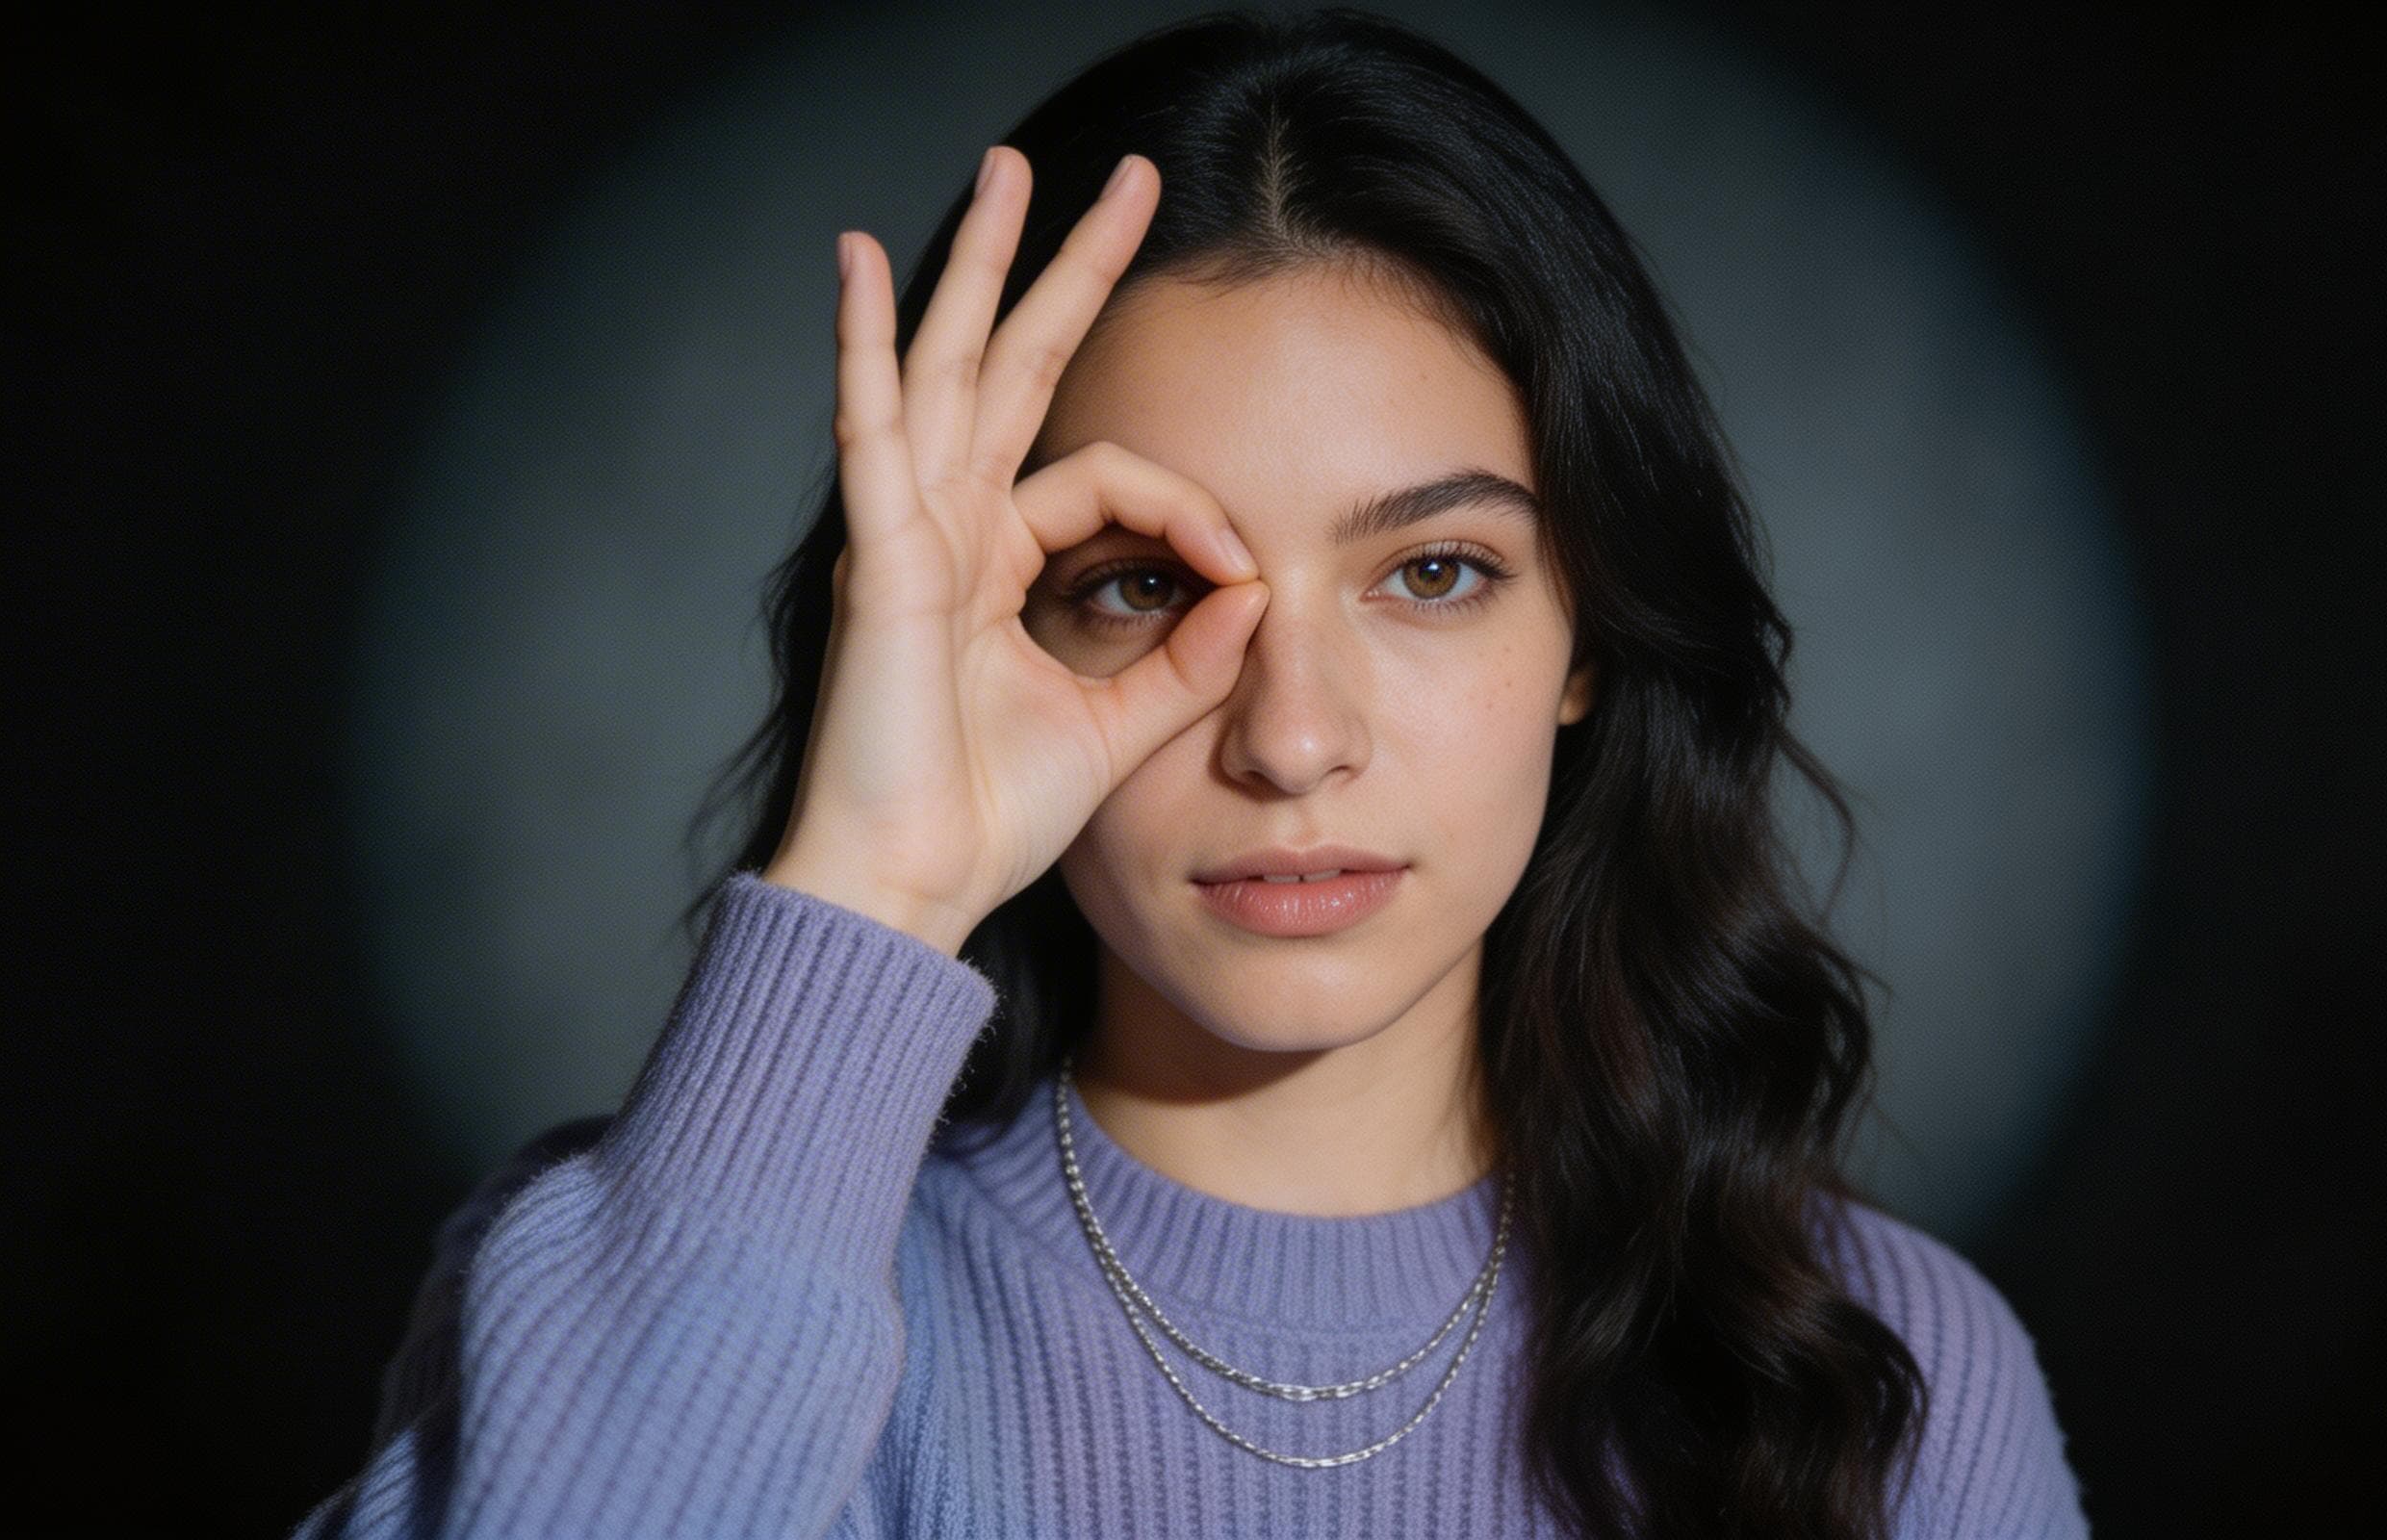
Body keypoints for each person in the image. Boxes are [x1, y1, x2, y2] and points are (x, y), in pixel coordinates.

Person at [293, 9, 2089, 1537]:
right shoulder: (639, 1282)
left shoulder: (1886, 1380)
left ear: (1593, 635)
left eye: (1434, 573)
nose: (1292, 738)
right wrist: (876, 881)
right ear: (983, 633)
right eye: (1143, 586)